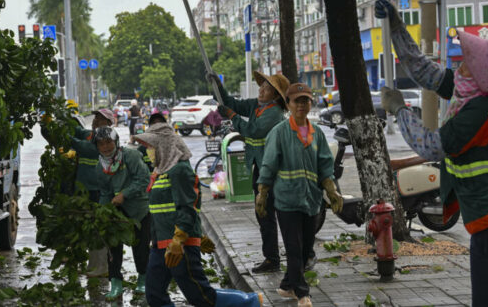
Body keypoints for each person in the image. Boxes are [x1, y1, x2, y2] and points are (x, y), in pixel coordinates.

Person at [375, 0, 488, 307]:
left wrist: (401, 110)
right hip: (484, 226)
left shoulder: (481, 111)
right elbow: (424, 70)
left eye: (469, 63)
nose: (461, 65)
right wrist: (396, 28)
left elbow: (431, 145)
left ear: (485, 75)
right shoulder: (467, 92)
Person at [132, 124, 262, 307]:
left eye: (151, 146)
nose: (148, 151)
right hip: (160, 244)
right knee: (154, 294)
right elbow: (158, 211)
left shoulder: (180, 171)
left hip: (179, 244)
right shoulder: (160, 172)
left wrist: (180, 239)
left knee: (200, 296)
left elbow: (188, 207)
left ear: (164, 146)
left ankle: (250, 302)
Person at [256, 83, 341, 306]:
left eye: (305, 101)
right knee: (294, 249)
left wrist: (331, 191)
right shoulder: (279, 133)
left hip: (311, 201)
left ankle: (287, 286)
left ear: (310, 103)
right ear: (289, 104)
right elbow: (269, 164)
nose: (301, 105)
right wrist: (262, 193)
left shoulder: (317, 134)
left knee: (305, 250)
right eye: (297, 101)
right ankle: (303, 293)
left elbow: (325, 164)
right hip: (286, 200)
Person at [208, 71, 289, 274]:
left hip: (270, 170)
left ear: (276, 96)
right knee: (263, 213)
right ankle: (271, 257)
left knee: (267, 213)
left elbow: (251, 130)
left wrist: (232, 116)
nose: (261, 90)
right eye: (261, 87)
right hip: (259, 166)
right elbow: (232, 103)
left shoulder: (274, 113)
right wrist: (218, 85)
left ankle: (273, 259)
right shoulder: (257, 106)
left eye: (267, 88)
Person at [40, 107, 115, 277]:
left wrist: (63, 133)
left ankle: (101, 268)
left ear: (109, 123)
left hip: (98, 191)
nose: (95, 121)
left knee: (97, 229)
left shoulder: (107, 140)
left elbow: (77, 144)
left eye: (100, 119)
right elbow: (75, 130)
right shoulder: (91, 135)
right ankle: (94, 265)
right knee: (88, 228)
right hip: (84, 191)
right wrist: (58, 119)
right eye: (95, 117)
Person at [93, 127, 151, 299]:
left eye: (108, 142)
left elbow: (143, 179)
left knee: (141, 248)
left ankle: (143, 279)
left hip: (138, 210)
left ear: (116, 141)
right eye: (101, 144)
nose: (105, 147)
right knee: (113, 248)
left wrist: (124, 195)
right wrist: (102, 211)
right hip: (116, 212)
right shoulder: (100, 166)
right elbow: (104, 192)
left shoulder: (130, 156)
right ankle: (116, 282)